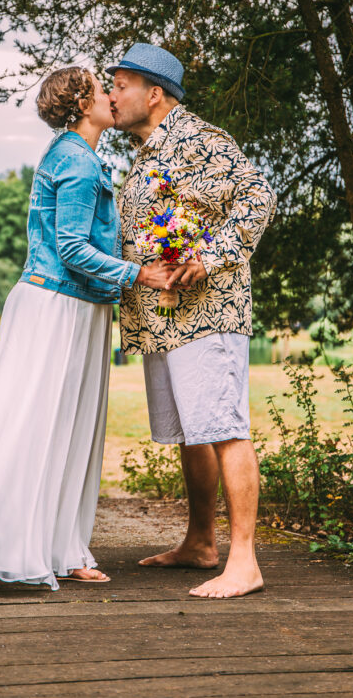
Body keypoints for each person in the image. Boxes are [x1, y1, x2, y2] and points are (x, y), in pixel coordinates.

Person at [0, 67, 171, 590]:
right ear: (80, 103)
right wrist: (140, 273)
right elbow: (72, 249)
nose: (113, 98)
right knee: (27, 425)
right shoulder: (75, 161)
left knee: (67, 432)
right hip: (58, 308)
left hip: (73, 307)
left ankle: (61, 547)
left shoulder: (76, 155)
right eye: (103, 90)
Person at [108, 43, 277, 599]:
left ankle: (245, 563)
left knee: (225, 429)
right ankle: (201, 543)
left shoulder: (201, 139)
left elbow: (258, 198)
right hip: (168, 319)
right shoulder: (148, 150)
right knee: (193, 433)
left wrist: (210, 254)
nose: (112, 95)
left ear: (154, 94)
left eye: (121, 85)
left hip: (211, 314)